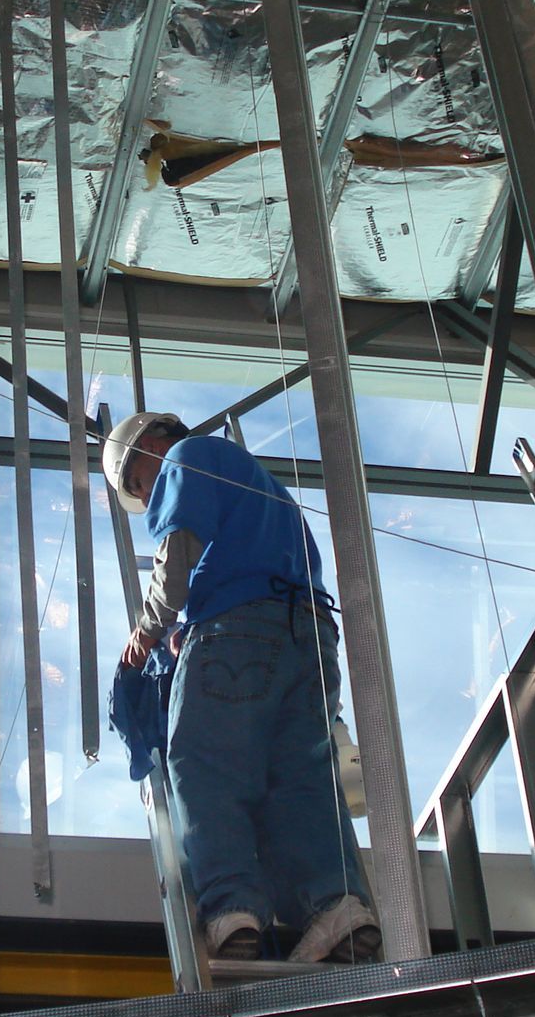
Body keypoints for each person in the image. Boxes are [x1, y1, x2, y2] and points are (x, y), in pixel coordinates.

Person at [102, 410, 381, 964]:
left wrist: (148, 630)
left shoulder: (187, 457)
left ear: (152, 447)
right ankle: (336, 906)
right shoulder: (260, 487)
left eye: (138, 483)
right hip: (311, 638)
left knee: (203, 762)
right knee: (298, 781)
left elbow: (177, 561)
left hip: (237, 630)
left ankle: (231, 908)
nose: (145, 493)